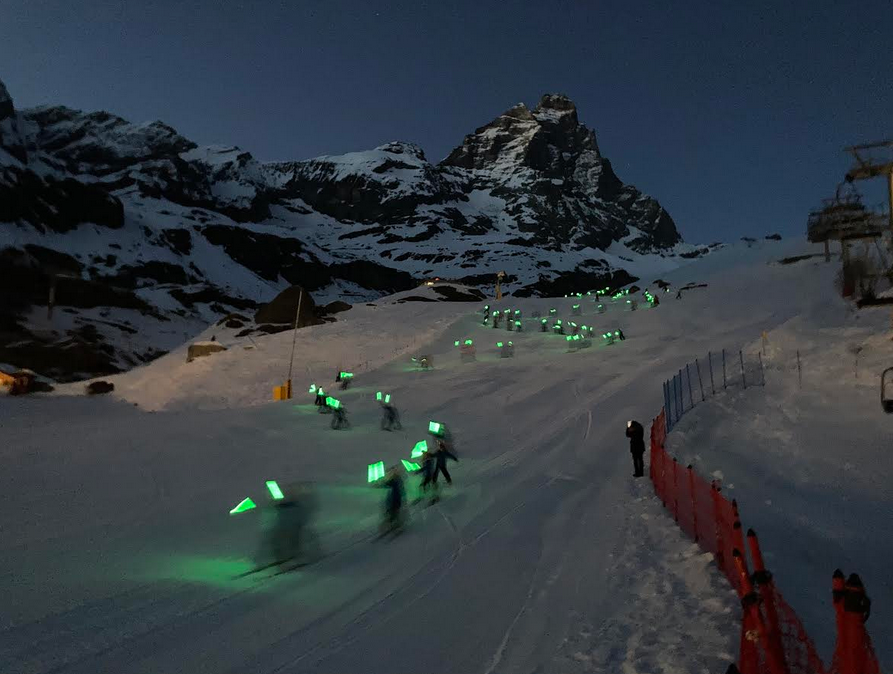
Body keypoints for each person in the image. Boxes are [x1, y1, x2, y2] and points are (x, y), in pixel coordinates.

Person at [379, 466, 406, 535]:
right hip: (392, 500)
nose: (389, 475)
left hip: (395, 500)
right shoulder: (396, 480)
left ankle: (398, 525)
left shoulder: (396, 480)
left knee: (394, 513)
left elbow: (388, 484)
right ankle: (394, 525)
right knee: (391, 513)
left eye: (391, 473)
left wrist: (380, 484)